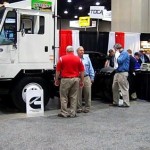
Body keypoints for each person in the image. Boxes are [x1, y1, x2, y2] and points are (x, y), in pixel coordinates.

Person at [55, 45, 84, 118]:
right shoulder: (78, 59)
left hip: (65, 79)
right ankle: (72, 113)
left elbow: (58, 71)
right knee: (74, 96)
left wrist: (56, 80)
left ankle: (64, 112)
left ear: (66, 51)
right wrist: (82, 81)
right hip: (75, 79)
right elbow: (82, 71)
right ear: (73, 51)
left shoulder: (62, 59)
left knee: (64, 96)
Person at [76, 46, 95, 113]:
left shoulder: (87, 58)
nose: (82, 52)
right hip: (78, 78)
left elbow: (91, 68)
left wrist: (92, 77)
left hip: (86, 77)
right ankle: (79, 108)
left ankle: (87, 108)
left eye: (83, 50)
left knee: (88, 93)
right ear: (77, 52)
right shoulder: (75, 59)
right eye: (80, 50)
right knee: (78, 94)